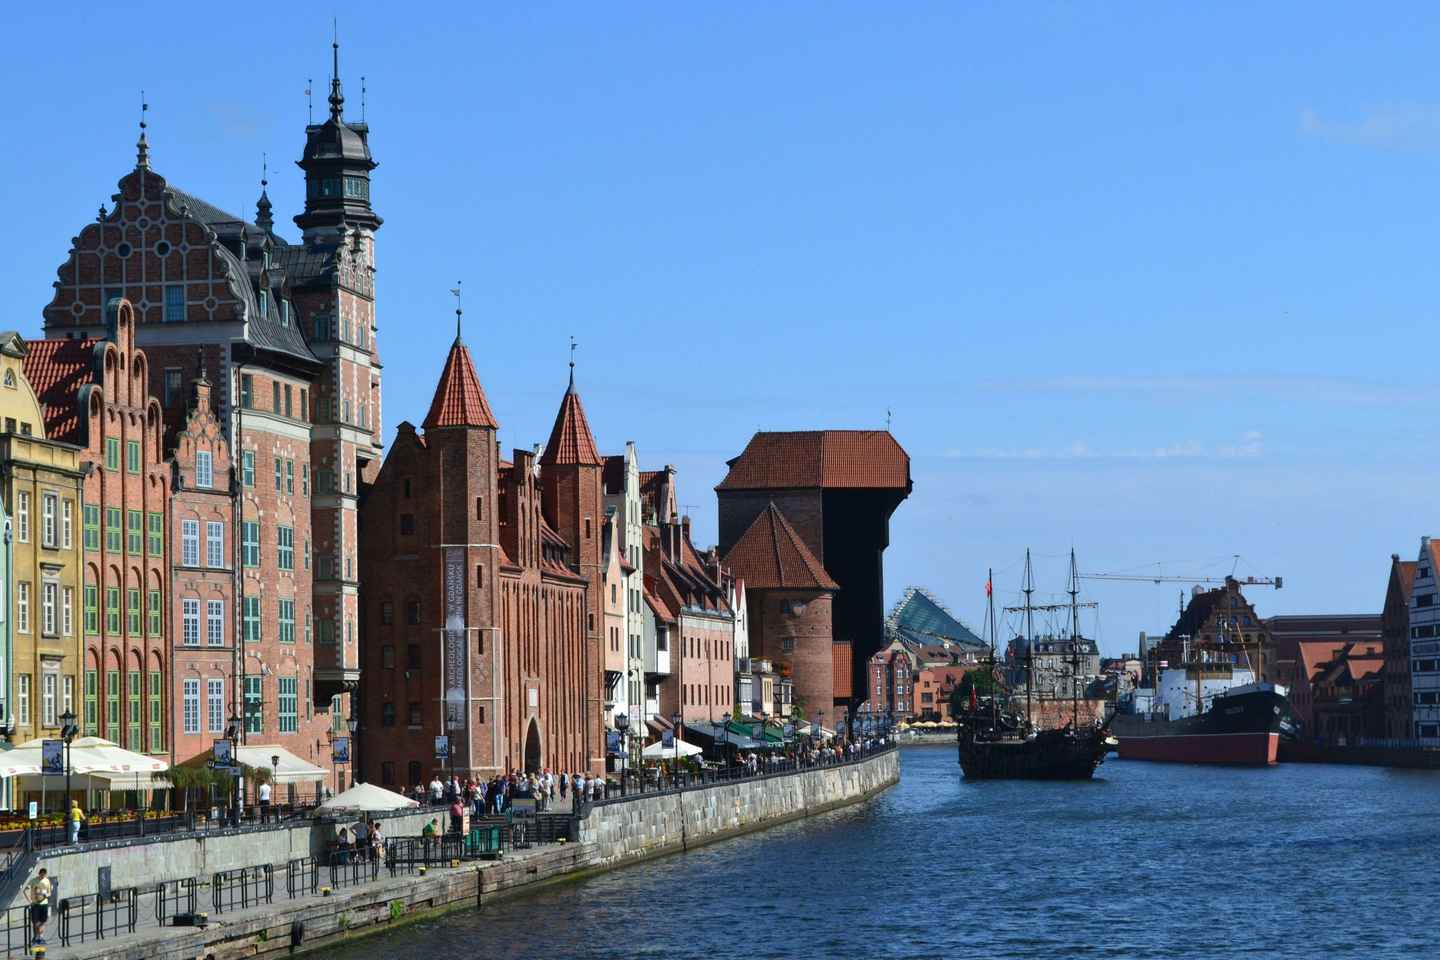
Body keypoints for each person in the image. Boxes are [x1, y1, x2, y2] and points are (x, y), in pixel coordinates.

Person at [26, 868, 51, 945]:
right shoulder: (33, 880)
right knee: (35, 922)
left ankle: (40, 937)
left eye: (44, 874)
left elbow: (49, 893)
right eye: (42, 874)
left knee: (43, 921)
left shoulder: (47, 881)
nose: (43, 876)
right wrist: (30, 901)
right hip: (35, 904)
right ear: (39, 874)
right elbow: (25, 890)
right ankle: (36, 937)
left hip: (44, 904)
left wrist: (46, 894)